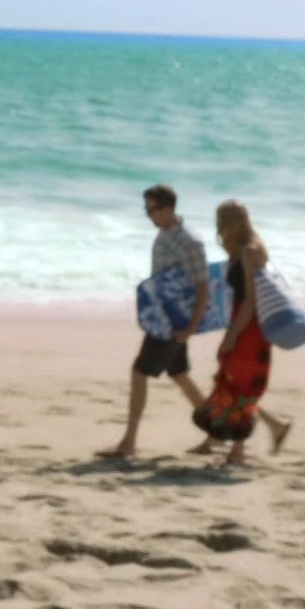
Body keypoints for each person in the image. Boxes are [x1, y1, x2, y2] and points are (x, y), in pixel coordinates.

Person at [98, 183, 210, 460]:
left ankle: (129, 443)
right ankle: (219, 429)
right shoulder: (164, 234)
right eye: (146, 210)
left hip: (173, 325)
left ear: (169, 208)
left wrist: (191, 328)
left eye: (153, 210)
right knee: (179, 375)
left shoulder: (190, 241)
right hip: (163, 319)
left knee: (139, 374)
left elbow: (203, 286)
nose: (149, 216)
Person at [189, 200, 294, 466]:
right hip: (242, 322)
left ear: (233, 222)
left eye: (221, 221)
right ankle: (265, 430)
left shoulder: (249, 251)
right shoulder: (242, 251)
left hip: (250, 328)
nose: (218, 228)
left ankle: (238, 449)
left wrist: (232, 336)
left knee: (240, 384)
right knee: (230, 382)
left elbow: (249, 301)